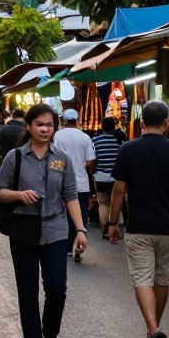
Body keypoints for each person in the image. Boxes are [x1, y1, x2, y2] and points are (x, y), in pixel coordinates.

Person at [0, 104, 88, 338]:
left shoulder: (61, 158)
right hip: (22, 229)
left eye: (49, 124)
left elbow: (70, 195)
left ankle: (51, 333)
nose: (45, 129)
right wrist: (19, 195)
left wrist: (80, 229)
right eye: (39, 124)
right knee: (27, 290)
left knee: (57, 288)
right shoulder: (16, 157)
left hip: (56, 230)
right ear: (29, 126)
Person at [108, 100, 169, 338]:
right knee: (162, 279)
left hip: (139, 226)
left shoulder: (127, 149)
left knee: (142, 279)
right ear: (167, 123)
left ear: (140, 123)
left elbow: (118, 190)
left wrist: (113, 222)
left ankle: (153, 329)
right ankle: (153, 329)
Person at [52, 108, 96, 261]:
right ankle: (78, 246)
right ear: (77, 120)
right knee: (80, 216)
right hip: (81, 183)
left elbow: (52, 155)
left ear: (63, 120)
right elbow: (90, 160)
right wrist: (82, 166)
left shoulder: (57, 135)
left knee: (62, 215)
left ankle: (64, 247)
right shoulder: (85, 137)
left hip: (60, 182)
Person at [92, 117, 122, 239]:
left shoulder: (95, 140)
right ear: (114, 127)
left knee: (103, 203)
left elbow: (92, 158)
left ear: (102, 127)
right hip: (116, 177)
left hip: (101, 176)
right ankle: (113, 226)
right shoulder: (118, 140)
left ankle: (105, 229)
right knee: (115, 201)